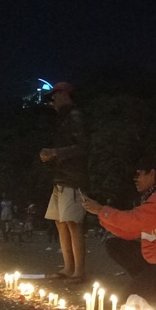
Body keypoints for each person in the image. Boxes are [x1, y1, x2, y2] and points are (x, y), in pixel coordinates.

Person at [82, 156, 156, 305]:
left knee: (120, 302)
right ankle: (147, 283)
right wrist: (102, 214)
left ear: (152, 174)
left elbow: (133, 221)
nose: (135, 179)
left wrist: (101, 211)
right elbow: (132, 231)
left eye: (139, 174)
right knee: (115, 244)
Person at [40, 82, 88, 282]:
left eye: (54, 96)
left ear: (64, 95)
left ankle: (79, 271)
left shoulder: (75, 117)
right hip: (60, 177)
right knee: (60, 222)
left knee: (72, 222)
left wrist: (55, 153)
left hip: (73, 178)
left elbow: (83, 147)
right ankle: (68, 267)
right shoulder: (63, 119)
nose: (52, 101)